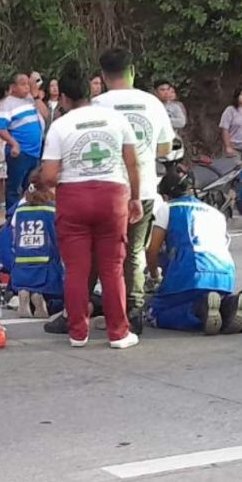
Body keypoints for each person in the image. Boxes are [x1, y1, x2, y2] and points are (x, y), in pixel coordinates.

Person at [39, 63, 143, 349]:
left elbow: (48, 176)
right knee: (112, 268)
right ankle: (119, 333)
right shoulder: (115, 119)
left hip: (73, 198)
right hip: (112, 196)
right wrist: (134, 198)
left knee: (76, 269)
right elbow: (132, 163)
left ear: (64, 99)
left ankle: (77, 333)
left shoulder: (60, 126)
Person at [93, 48, 176, 328]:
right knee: (134, 252)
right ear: (132, 72)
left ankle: (105, 310)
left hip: (106, 188)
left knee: (104, 251)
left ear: (103, 76)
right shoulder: (152, 103)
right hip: (145, 189)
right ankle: (135, 309)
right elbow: (165, 148)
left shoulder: (97, 105)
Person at [146, 167, 242, 334]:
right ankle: (227, 305)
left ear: (165, 196)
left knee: (156, 311)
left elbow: (152, 250)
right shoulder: (215, 213)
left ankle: (197, 311)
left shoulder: (167, 209)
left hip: (192, 275)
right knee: (209, 299)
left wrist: (154, 276)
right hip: (225, 276)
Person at [9, 169, 64, 319]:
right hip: (44, 258)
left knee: (25, 282)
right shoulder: (51, 209)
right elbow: (57, 235)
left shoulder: (20, 209)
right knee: (52, 278)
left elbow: (13, 232)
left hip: (22, 259)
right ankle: (38, 297)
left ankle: (24, 293)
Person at [0, 72, 44, 210]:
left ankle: (28, 214)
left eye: (28, 84)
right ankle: (11, 217)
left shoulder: (31, 100)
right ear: (13, 87)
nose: (26, 88)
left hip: (35, 152)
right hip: (20, 152)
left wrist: (36, 96)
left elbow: (45, 115)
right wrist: (13, 143)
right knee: (14, 187)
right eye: (22, 84)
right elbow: (0, 127)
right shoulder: (7, 104)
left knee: (31, 187)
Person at [220, 87, 242, 158]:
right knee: (236, 167)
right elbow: (224, 129)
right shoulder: (230, 110)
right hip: (234, 147)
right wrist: (228, 147)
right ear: (237, 96)